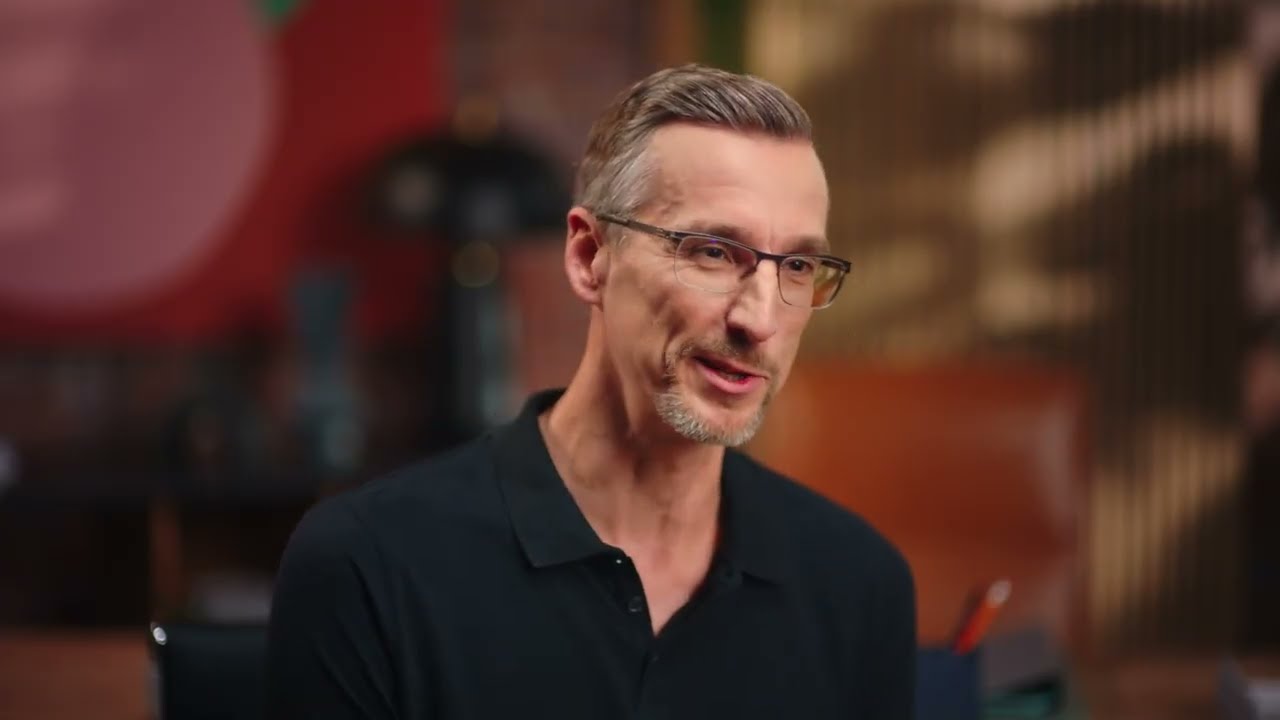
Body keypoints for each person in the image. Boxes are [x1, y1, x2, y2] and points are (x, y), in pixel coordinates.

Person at [266, 64, 916, 718]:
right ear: (588, 257)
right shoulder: (367, 563)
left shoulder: (858, 584)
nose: (761, 319)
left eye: (798, 266)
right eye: (714, 252)